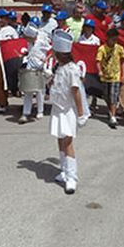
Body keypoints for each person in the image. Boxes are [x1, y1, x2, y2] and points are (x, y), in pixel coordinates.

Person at [49, 30, 87, 194]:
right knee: (60, 138)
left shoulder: (72, 69)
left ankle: (72, 177)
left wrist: (81, 114)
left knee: (68, 141)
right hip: (57, 109)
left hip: (68, 110)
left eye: (55, 53)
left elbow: (76, 92)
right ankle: (64, 170)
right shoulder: (60, 67)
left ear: (61, 54)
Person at [19, 23, 50, 123]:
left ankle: (40, 111)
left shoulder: (41, 42)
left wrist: (46, 59)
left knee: (40, 91)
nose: (26, 39)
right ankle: (26, 112)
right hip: (30, 67)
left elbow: (51, 50)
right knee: (28, 91)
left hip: (39, 68)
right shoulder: (29, 43)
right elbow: (31, 52)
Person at [96, 27, 124, 129]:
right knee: (106, 96)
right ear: (107, 38)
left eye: (116, 39)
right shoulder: (102, 49)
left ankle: (113, 116)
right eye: (113, 39)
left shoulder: (120, 48)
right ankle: (110, 111)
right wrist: (99, 71)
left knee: (113, 96)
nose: (114, 41)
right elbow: (98, 61)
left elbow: (122, 62)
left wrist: (123, 74)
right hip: (105, 76)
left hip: (115, 76)